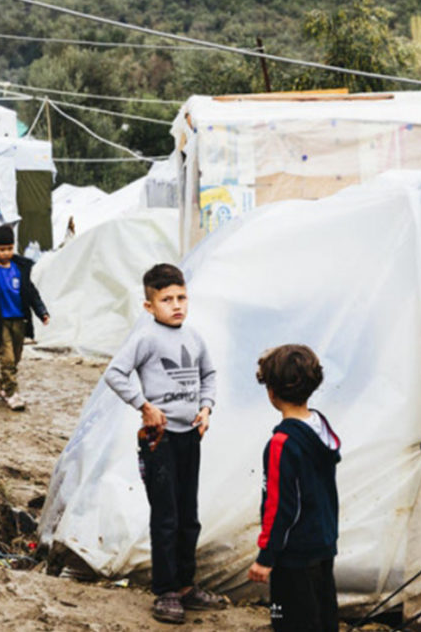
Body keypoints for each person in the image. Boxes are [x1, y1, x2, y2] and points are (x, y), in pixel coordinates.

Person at [104, 263, 227, 624]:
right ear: (149, 306)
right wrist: (144, 406)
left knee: (189, 514)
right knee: (167, 516)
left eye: (182, 297)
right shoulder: (146, 339)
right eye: (167, 299)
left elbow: (209, 374)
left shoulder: (195, 337)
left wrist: (206, 408)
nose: (176, 305)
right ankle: (166, 591)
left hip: (191, 437)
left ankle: (187, 585)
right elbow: (115, 373)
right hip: (160, 441)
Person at [248, 345, 341, 632]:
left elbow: (279, 506)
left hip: (294, 555)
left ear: (271, 393)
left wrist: (266, 557)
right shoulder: (321, 429)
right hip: (323, 543)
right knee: (323, 618)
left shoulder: (281, 444)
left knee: (290, 621)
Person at [0, 224, 49, 411]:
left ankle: (3, 384)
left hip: (20, 320)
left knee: (15, 358)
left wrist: (42, 312)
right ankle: (12, 393)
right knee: (7, 359)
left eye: (9, 248)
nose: (6, 253)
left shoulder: (20, 269)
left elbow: (31, 293)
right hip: (0, 322)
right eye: (2, 249)